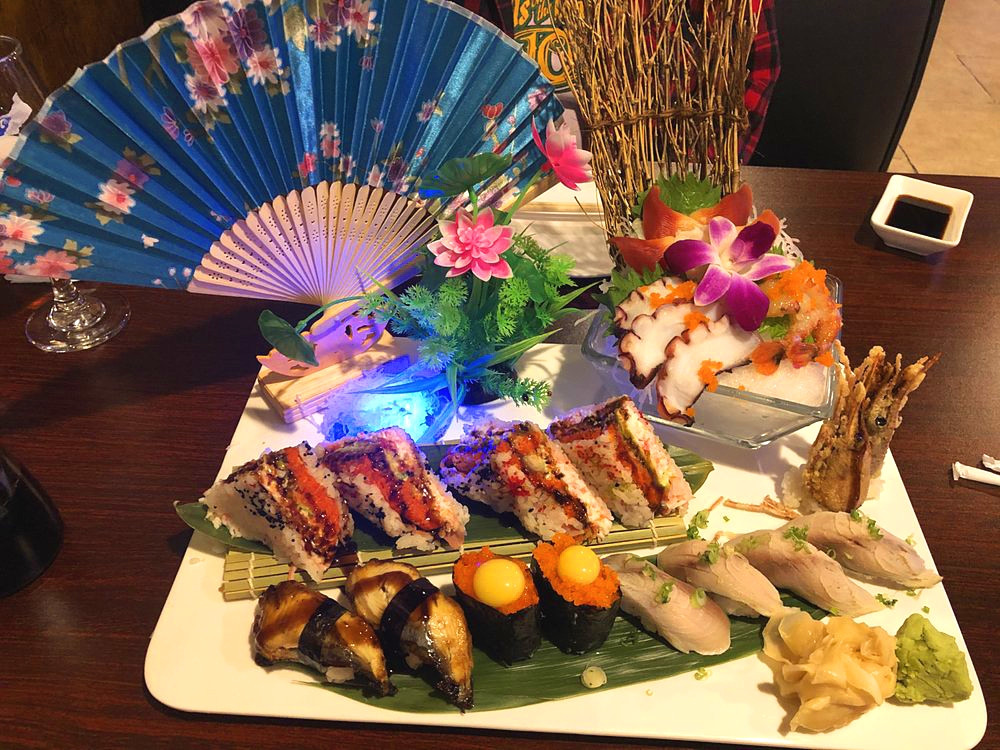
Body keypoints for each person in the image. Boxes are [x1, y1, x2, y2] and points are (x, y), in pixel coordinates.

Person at [457, 0, 780, 164]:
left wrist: (696, 177)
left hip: (653, 170)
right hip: (517, 186)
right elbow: (453, 55)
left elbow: (753, 66)